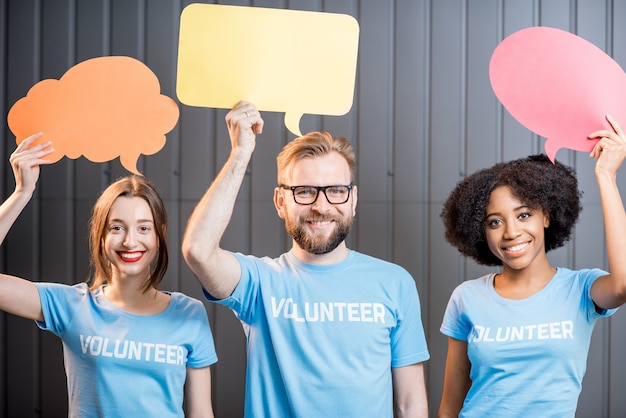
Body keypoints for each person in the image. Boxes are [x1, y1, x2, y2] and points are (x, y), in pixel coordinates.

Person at [182, 101, 430, 417]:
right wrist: (240, 153)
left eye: (336, 191)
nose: (321, 205)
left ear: (352, 199)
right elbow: (197, 250)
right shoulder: (259, 283)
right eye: (304, 191)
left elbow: (411, 403)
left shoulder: (395, 283)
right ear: (280, 201)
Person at [0, 133, 218, 417]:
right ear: (100, 236)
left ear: (159, 236)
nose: (130, 241)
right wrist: (21, 193)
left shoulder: (189, 314)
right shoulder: (70, 306)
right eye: (116, 228)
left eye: (143, 228)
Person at [437, 115, 626, 418]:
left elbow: (623, 285)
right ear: (480, 232)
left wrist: (607, 175)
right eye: (495, 222)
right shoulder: (466, 298)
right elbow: (449, 407)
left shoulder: (580, 290)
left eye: (524, 215)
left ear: (546, 217)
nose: (511, 232)